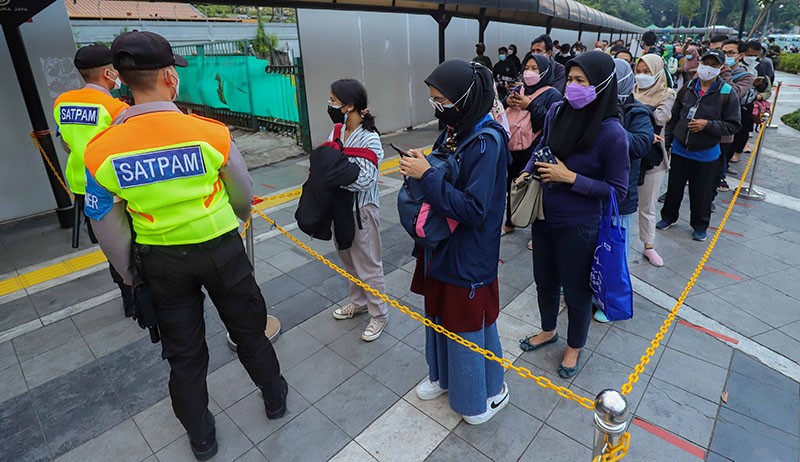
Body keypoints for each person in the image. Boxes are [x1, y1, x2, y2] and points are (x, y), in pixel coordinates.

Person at [83, 31, 287, 461]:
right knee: (250, 332)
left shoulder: (101, 151)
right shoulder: (207, 132)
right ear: (170, 77)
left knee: (185, 356)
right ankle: (274, 399)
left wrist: (131, 273)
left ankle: (202, 438)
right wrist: (232, 224)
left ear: (121, 81)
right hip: (221, 250)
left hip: (161, 263)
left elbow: (104, 220)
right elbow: (243, 192)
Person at [402, 59, 511, 425]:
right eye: (433, 99)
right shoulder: (453, 130)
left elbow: (475, 209)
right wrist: (425, 163)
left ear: (464, 98)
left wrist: (427, 174)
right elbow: (445, 171)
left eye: (441, 100)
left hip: (469, 252)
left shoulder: (488, 141)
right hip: (441, 245)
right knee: (439, 314)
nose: (437, 107)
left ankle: (486, 393)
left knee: (470, 323)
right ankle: (444, 377)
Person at [517, 51, 630, 377]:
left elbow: (617, 191)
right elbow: (543, 149)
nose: (573, 87)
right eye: (571, 79)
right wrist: (527, 170)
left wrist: (571, 179)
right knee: (545, 281)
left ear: (602, 85)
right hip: (544, 216)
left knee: (577, 291)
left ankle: (573, 347)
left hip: (579, 225)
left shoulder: (612, 133)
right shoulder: (556, 111)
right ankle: (548, 329)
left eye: (582, 81)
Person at [54, 44, 133, 317]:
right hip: (111, 189)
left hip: (79, 184)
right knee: (127, 240)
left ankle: (127, 295)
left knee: (108, 244)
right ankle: (137, 294)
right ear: (109, 73)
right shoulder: (115, 108)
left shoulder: (62, 102)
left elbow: (65, 143)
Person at [326, 79, 390, 341]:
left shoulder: (370, 138)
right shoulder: (337, 131)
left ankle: (379, 314)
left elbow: (365, 180)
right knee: (349, 261)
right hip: (339, 209)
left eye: (333, 100)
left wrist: (330, 175)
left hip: (361, 211)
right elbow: (326, 159)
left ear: (349, 105)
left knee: (369, 265)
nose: (329, 105)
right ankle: (360, 301)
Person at [657, 49, 741, 241]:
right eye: (706, 63)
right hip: (680, 147)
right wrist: (669, 143)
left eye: (713, 65)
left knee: (701, 191)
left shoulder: (727, 92)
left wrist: (708, 125)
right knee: (674, 187)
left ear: (721, 68)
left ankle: (700, 225)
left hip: (706, 152)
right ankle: (668, 217)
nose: (708, 69)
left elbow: (733, 125)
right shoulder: (688, 87)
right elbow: (674, 117)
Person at [593, 58, 653, 323]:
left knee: (615, 253)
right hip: (592, 193)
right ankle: (592, 288)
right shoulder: (593, 107)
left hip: (619, 197)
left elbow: (642, 143)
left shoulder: (635, 111)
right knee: (594, 248)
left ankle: (610, 302)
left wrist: (609, 129)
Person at [501, 54, 562, 236]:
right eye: (527, 67)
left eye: (535, 68)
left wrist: (531, 105)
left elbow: (553, 122)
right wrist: (507, 102)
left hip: (535, 149)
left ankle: (537, 232)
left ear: (544, 71)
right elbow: (502, 112)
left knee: (536, 190)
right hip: (513, 147)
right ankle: (511, 221)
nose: (529, 72)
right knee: (512, 185)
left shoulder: (553, 94)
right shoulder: (518, 89)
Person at [634, 54, 676, 267]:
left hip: (653, 158)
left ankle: (648, 246)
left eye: (647, 72)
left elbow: (661, 117)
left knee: (648, 205)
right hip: (630, 154)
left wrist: (633, 112)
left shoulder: (667, 93)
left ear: (658, 72)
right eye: (639, 71)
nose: (641, 76)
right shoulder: (631, 90)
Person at [715, 39, 754, 193]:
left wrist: (725, 72)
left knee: (717, 162)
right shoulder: (710, 69)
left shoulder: (745, 76)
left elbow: (734, 93)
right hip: (704, 123)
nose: (726, 56)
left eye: (731, 53)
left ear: (740, 55)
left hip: (724, 126)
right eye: (723, 52)